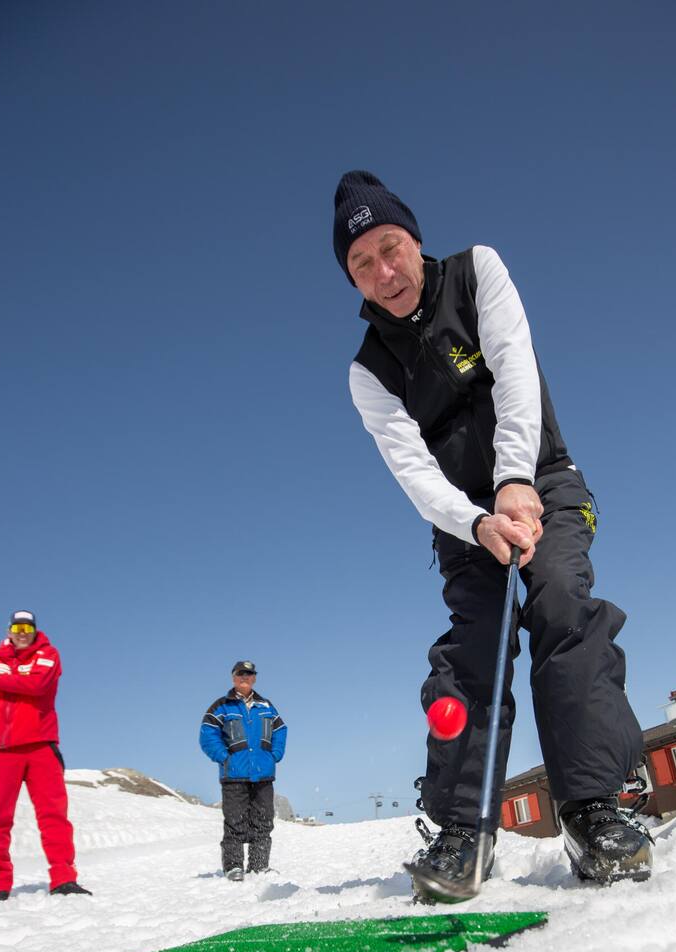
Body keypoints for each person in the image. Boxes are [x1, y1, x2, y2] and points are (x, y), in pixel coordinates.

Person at [334, 170, 652, 896]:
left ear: (414, 239)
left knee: (560, 601)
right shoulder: (368, 372)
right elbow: (413, 473)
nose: (384, 272)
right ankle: (462, 829)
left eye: (391, 248)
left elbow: (512, 373)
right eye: (362, 264)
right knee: (474, 645)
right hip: (461, 517)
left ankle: (595, 807)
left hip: (541, 478)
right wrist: (477, 521)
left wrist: (514, 482)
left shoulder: (479, 272)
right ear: (350, 277)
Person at [0, 610, 91, 903]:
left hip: (41, 747)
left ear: (35, 630)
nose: (22, 632)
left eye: (27, 627)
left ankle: (64, 878)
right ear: (9, 630)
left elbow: (38, 686)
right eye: (17, 627)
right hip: (0, 750)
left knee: (53, 816)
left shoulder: (48, 655)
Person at [199, 661, 287, 881]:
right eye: (240, 674)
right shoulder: (221, 706)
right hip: (233, 775)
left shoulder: (266, 706)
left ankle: (259, 867)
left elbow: (281, 730)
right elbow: (207, 734)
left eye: (249, 674)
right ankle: (233, 867)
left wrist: (274, 755)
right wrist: (224, 757)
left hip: (263, 774)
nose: (245, 677)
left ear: (254, 678)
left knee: (263, 820)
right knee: (235, 821)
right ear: (233, 678)